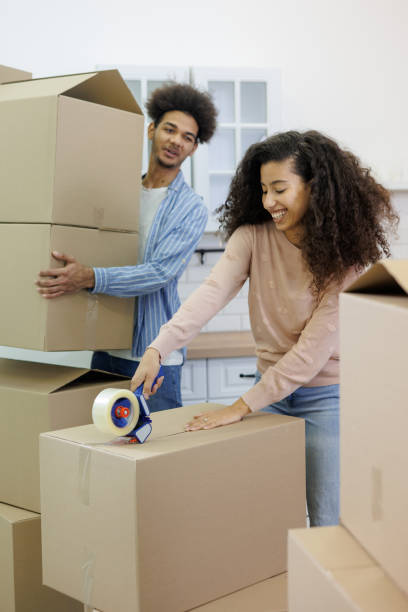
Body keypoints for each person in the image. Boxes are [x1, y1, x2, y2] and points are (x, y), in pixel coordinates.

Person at [130, 130, 399, 526]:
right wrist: (157, 348)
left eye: (280, 189)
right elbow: (210, 294)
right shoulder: (252, 237)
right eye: (262, 190)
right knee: (264, 518)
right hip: (269, 393)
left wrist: (240, 407)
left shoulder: (344, 259)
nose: (269, 202)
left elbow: (310, 354)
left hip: (326, 399)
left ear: (315, 188)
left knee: (326, 521)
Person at [36, 82, 218, 411]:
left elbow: (159, 273)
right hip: (105, 347)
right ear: (151, 129)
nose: (176, 141)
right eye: (170, 129)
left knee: (154, 454)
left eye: (187, 137)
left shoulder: (192, 208)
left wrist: (89, 277)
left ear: (193, 149)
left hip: (154, 354)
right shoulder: (120, 191)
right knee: (107, 449)